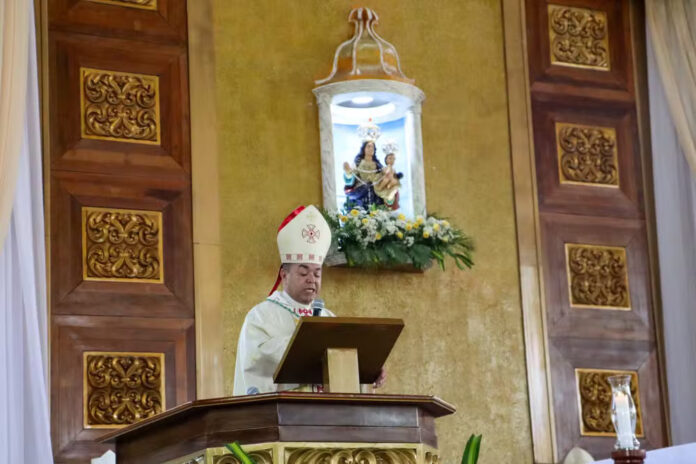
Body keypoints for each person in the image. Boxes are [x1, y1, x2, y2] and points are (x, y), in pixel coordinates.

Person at [233, 205, 387, 395]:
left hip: (329, 416)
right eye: (303, 272)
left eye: (317, 273)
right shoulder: (261, 316)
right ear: (284, 275)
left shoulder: (328, 317)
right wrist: (308, 343)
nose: (311, 279)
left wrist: (367, 369)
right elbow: (255, 362)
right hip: (286, 415)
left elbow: (345, 362)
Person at [343, 140, 384, 210]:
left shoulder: (378, 165)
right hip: (360, 190)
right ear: (363, 149)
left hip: (375, 191)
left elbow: (382, 178)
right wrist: (348, 173)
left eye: (373, 147)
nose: (371, 149)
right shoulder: (358, 162)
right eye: (368, 146)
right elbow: (351, 178)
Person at [373, 142, 403, 210]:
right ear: (386, 159)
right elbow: (385, 174)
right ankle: (383, 189)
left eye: (393, 159)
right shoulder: (386, 168)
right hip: (385, 185)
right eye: (390, 158)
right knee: (387, 179)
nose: (392, 160)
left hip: (392, 186)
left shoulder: (393, 169)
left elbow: (395, 177)